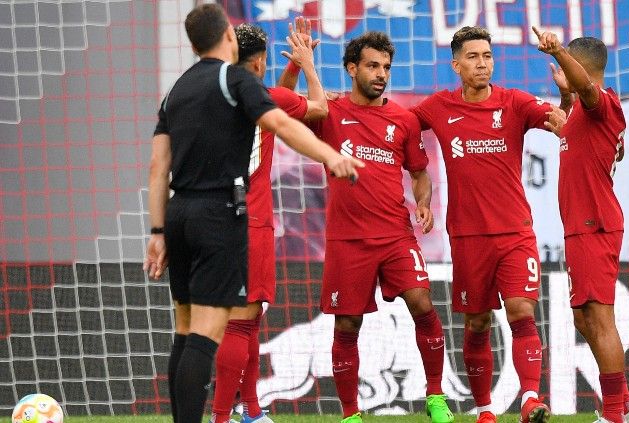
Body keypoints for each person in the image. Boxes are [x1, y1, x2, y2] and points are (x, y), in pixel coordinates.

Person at [143, 4, 363, 423]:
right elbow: (306, 113)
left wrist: (157, 229)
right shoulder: (239, 84)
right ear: (232, 41)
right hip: (236, 216)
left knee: (188, 331)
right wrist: (329, 153)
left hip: (179, 213)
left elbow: (158, 167)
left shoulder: (178, 90)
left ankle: (247, 409)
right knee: (224, 331)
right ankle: (225, 415)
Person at [410, 26, 562, 423]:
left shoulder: (513, 103)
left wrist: (565, 106)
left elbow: (556, 117)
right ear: (456, 65)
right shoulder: (438, 107)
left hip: (514, 231)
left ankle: (531, 398)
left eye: (488, 56)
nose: (483, 63)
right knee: (476, 321)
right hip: (467, 235)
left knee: (520, 311)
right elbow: (395, 126)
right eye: (474, 57)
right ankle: (485, 410)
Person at [309, 32, 454, 423]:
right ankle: (350, 414)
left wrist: (423, 202)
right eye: (373, 66)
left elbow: (420, 174)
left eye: (386, 67)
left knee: (423, 302)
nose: (381, 74)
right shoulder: (331, 113)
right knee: (347, 324)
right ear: (352, 68)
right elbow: (292, 113)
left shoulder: (403, 120)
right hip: (347, 239)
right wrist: (304, 64)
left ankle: (436, 397)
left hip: (395, 234)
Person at [208, 19, 328, 423]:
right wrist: (308, 65)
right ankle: (223, 416)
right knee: (242, 324)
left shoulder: (215, 96)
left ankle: (253, 412)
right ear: (259, 64)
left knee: (247, 318)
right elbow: (319, 109)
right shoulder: (263, 95)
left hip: (215, 222)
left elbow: (275, 104)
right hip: (251, 222)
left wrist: (290, 70)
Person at [533, 28, 629, 423]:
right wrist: (565, 102)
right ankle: (625, 406)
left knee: (598, 316)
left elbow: (588, 92)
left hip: (595, 223)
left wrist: (558, 51)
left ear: (582, 69)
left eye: (568, 66)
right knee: (583, 317)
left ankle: (614, 413)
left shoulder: (602, 102)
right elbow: (583, 120)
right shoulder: (583, 114)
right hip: (581, 226)